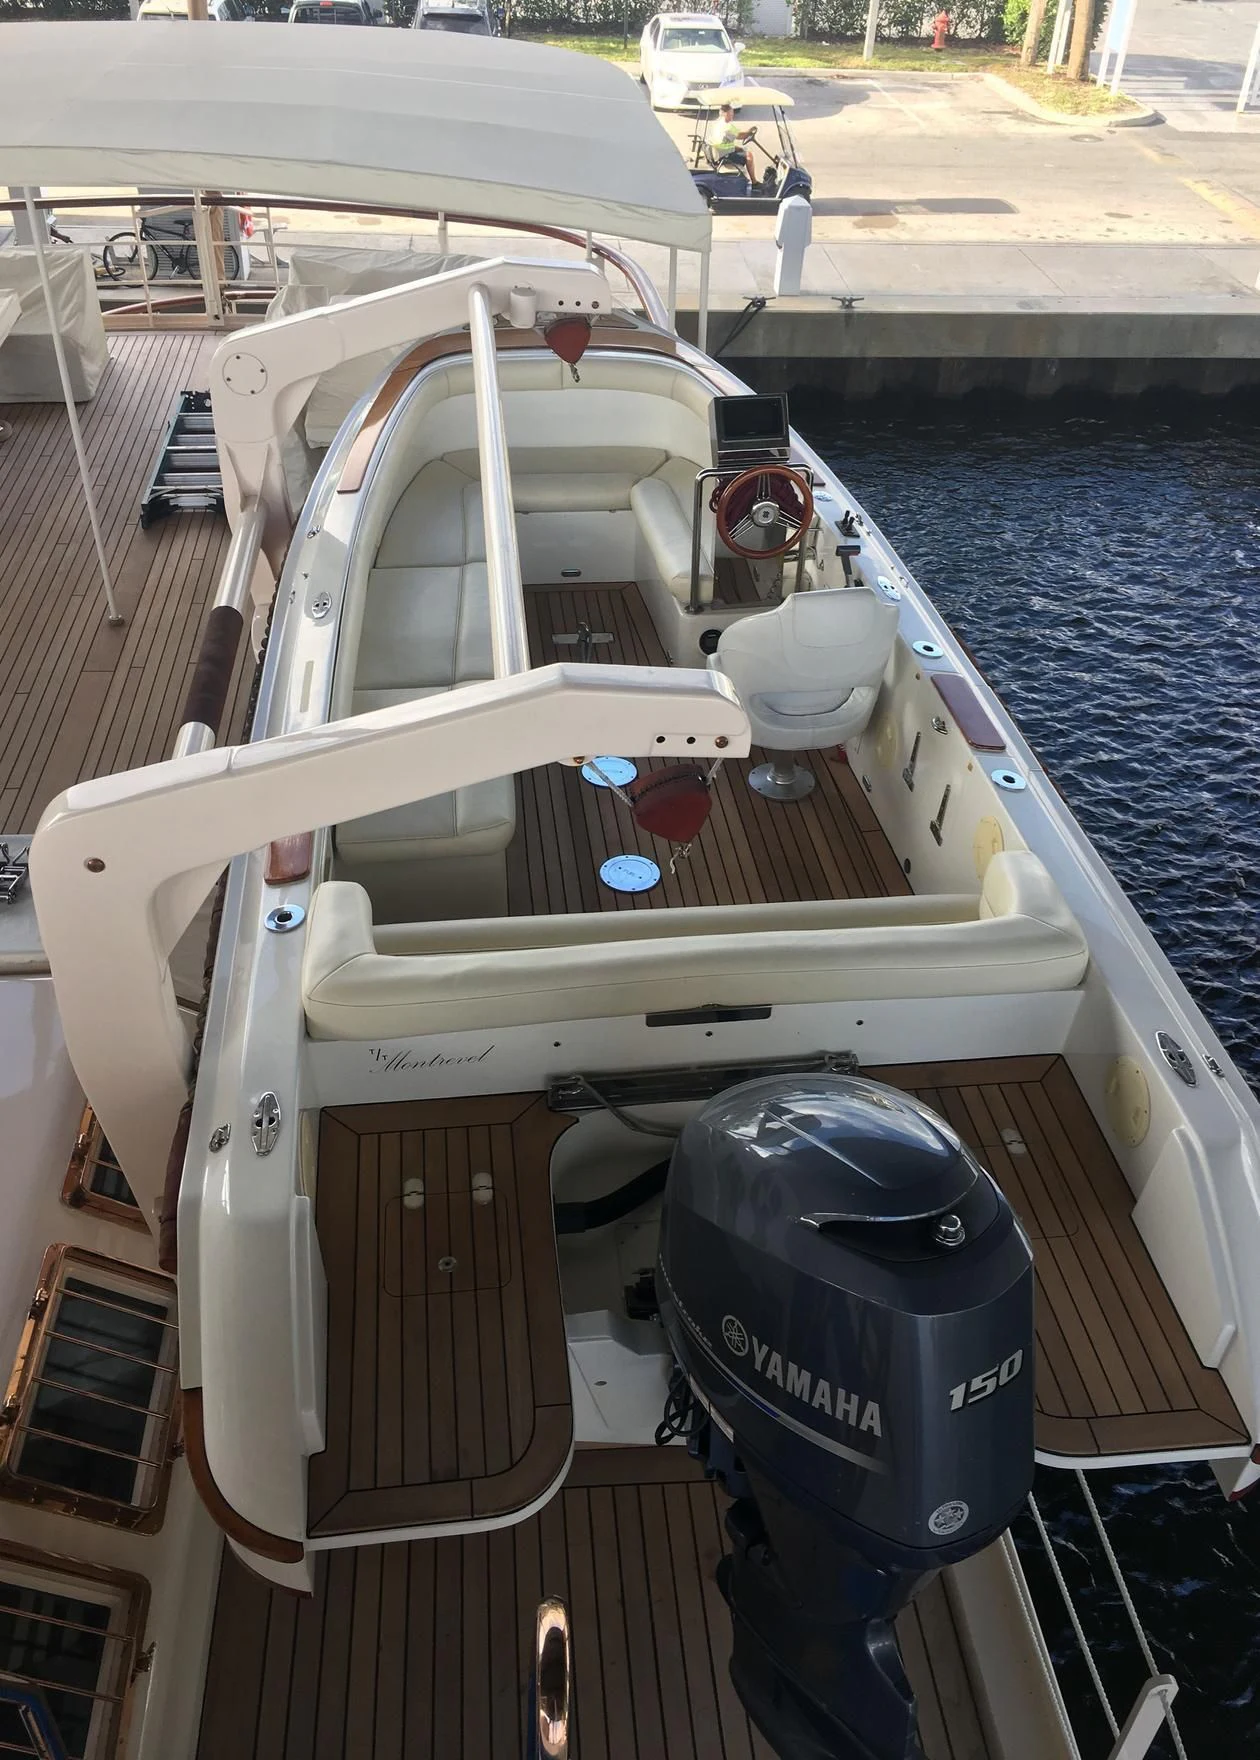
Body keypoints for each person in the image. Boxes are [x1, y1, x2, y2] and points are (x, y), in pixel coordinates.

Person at [707, 102, 760, 186]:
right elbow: (742, 135)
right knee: (749, 155)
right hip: (723, 156)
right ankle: (754, 183)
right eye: (730, 114)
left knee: (742, 149)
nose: (732, 116)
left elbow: (724, 142)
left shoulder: (717, 124)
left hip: (720, 152)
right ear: (724, 114)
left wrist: (737, 148)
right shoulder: (727, 126)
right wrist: (750, 132)